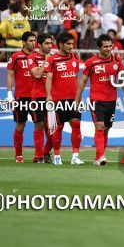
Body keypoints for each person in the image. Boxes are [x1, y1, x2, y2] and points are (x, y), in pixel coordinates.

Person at [75, 34, 124, 165]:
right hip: (96, 99)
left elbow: (122, 80)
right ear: (99, 48)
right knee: (99, 126)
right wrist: (77, 97)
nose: (108, 49)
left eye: (110, 46)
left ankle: (98, 157)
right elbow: (83, 81)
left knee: (106, 129)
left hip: (111, 100)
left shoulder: (117, 60)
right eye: (105, 46)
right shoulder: (91, 62)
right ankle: (101, 156)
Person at [44, 32, 84, 165]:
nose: (71, 46)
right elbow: (48, 78)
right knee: (58, 128)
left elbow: (76, 78)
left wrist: (79, 96)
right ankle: (56, 156)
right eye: (68, 44)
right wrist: (48, 95)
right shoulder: (52, 59)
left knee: (76, 124)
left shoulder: (74, 57)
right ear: (60, 44)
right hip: (57, 99)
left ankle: (75, 156)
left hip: (73, 99)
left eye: (72, 44)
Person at [6, 31, 36, 162]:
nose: (33, 43)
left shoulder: (37, 57)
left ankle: (40, 154)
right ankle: (18, 155)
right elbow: (10, 75)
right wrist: (9, 93)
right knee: (20, 124)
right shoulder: (16, 56)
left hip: (37, 96)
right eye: (30, 41)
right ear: (24, 42)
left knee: (40, 124)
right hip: (21, 97)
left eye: (34, 41)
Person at [28, 33, 53, 163]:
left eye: (51, 44)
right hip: (38, 97)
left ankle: (46, 152)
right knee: (39, 126)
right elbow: (37, 74)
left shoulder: (54, 58)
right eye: (47, 44)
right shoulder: (32, 57)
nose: (50, 46)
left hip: (52, 98)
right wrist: (47, 61)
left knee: (53, 129)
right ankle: (39, 156)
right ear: (40, 45)